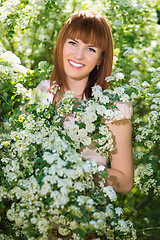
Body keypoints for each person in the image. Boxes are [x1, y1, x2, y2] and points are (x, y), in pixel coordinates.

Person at [37, 11, 134, 194]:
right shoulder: (43, 92)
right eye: (73, 43)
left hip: (86, 215)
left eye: (91, 49)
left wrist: (78, 169)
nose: (79, 55)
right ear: (61, 45)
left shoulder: (113, 108)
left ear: (100, 58)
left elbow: (125, 182)